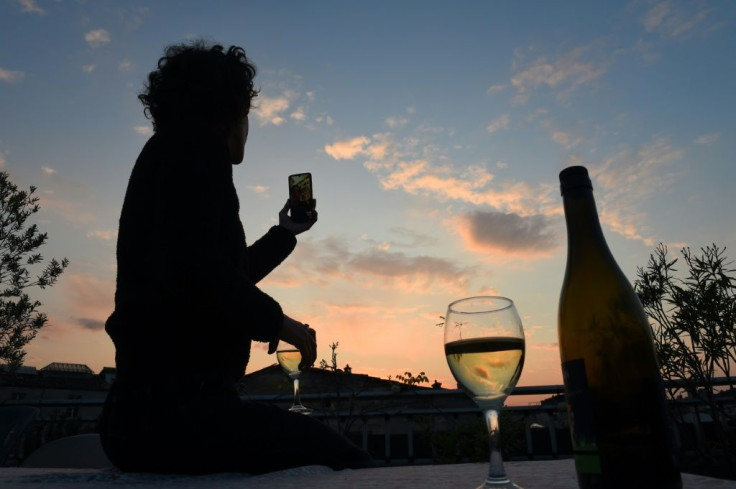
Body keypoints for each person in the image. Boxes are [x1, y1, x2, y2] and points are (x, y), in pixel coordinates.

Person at [99, 40, 372, 475]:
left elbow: (215, 270)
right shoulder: (198, 146)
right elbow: (197, 271)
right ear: (234, 113)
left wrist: (284, 234)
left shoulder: (169, 152)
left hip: (143, 415)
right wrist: (279, 323)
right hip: (181, 414)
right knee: (346, 460)